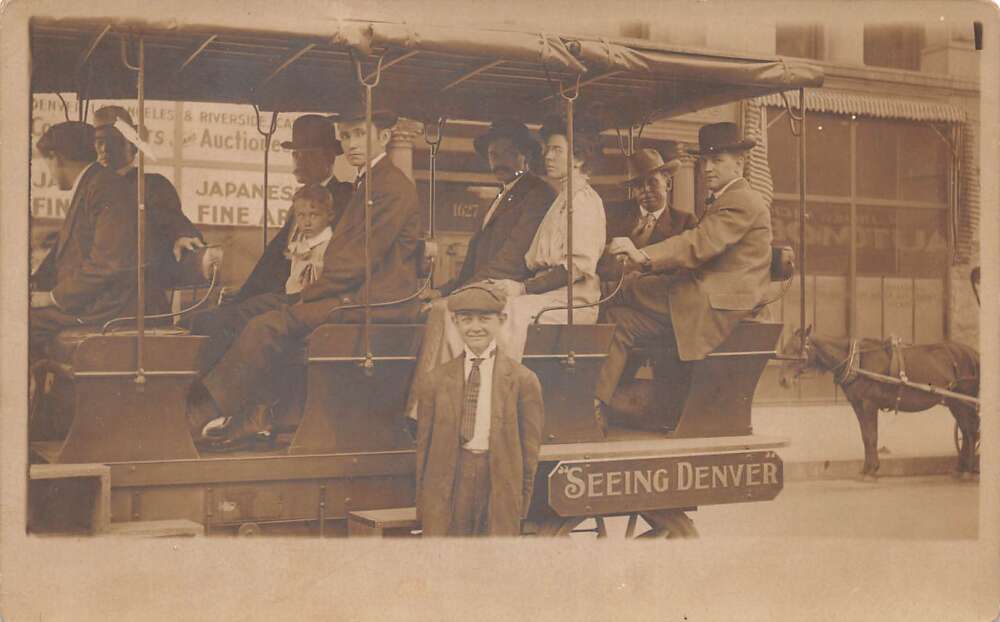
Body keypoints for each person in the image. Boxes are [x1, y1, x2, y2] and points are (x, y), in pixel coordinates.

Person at [185, 102, 422, 448]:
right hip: (349, 293)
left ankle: (205, 413)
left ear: (385, 137)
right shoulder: (371, 182)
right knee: (258, 312)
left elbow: (356, 261)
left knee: (269, 325)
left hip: (373, 300)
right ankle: (245, 412)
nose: (352, 143)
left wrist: (305, 296)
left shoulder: (390, 187)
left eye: (360, 134)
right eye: (346, 136)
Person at [594, 122, 773, 431]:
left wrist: (642, 256)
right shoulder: (723, 199)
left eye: (717, 160)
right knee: (619, 319)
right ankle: (598, 406)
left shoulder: (743, 200)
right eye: (705, 161)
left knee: (620, 289)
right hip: (701, 296)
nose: (708, 168)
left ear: (739, 163)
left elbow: (699, 242)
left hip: (717, 303)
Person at [405, 119, 554, 421]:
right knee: (431, 308)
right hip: (487, 283)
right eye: (493, 154)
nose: (499, 161)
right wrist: (443, 289)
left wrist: (460, 294)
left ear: (526, 155)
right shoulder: (503, 194)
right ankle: (427, 408)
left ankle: (432, 413)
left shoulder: (537, 194)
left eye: (508, 153)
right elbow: (474, 263)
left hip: (508, 286)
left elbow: (512, 258)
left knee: (447, 312)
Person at [415, 284, 544, 536]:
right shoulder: (435, 381)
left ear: (502, 320)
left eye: (485, 319)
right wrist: (424, 506)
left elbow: (529, 453)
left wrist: (520, 506)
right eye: (466, 319)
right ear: (455, 322)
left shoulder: (523, 380)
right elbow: (424, 449)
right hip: (452, 480)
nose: (475, 327)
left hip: (497, 481)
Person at [491, 115, 607, 360]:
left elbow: (574, 269)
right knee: (489, 308)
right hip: (550, 295)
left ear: (578, 158)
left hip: (574, 300)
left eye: (557, 150)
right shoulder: (563, 197)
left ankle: (506, 378)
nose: (548, 156)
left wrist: (523, 288)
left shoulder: (583, 201)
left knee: (512, 310)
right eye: (547, 150)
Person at [29, 122, 139, 361]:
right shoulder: (94, 184)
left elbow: (107, 265)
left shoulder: (105, 187)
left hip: (107, 306)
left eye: (47, 163)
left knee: (18, 321)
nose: (49, 172)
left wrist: (52, 297)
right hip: (95, 299)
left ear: (56, 158)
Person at [234, 114, 354, 302]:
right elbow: (273, 257)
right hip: (276, 293)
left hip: (302, 298)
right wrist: (243, 297)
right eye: (296, 154)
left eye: (309, 155)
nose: (299, 162)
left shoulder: (342, 199)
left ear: (329, 158)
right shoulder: (299, 202)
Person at [92, 105, 205, 300]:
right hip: (95, 289)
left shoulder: (153, 186)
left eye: (113, 141)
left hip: (140, 291)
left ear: (133, 145)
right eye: (99, 142)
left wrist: (181, 237)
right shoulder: (92, 190)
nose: (104, 149)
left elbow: (174, 222)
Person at [597, 145, 695, 287]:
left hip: (654, 295)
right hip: (611, 292)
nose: (646, 190)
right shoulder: (612, 213)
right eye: (638, 185)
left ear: (668, 184)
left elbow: (681, 276)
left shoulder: (685, 223)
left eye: (652, 182)